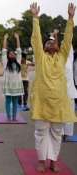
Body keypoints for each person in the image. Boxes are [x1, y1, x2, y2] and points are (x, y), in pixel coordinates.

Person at [30, 2, 77, 172]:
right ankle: (41, 160)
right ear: (43, 47)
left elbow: (67, 40)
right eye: (47, 43)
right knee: (41, 133)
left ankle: (53, 160)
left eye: (53, 42)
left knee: (57, 133)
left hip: (59, 104)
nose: (51, 44)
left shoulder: (62, 56)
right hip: (42, 103)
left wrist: (71, 18)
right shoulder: (41, 57)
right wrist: (35, 18)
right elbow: (36, 39)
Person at [2, 33, 24, 121]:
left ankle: (14, 117)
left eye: (13, 54)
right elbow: (3, 51)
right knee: (8, 102)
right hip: (8, 86)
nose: (11, 55)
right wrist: (5, 39)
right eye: (10, 54)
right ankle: (8, 117)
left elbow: (19, 50)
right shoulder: (5, 63)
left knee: (15, 102)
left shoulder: (18, 61)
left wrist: (17, 38)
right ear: (8, 56)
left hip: (17, 86)